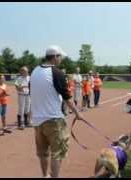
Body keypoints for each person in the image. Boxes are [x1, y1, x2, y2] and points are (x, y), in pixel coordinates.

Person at [30, 45, 84, 178]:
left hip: (37, 121)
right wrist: (77, 113)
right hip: (53, 119)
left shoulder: (35, 71)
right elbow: (67, 97)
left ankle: (45, 176)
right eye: (60, 57)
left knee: (43, 153)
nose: (61, 60)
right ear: (54, 57)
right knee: (57, 152)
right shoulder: (56, 73)